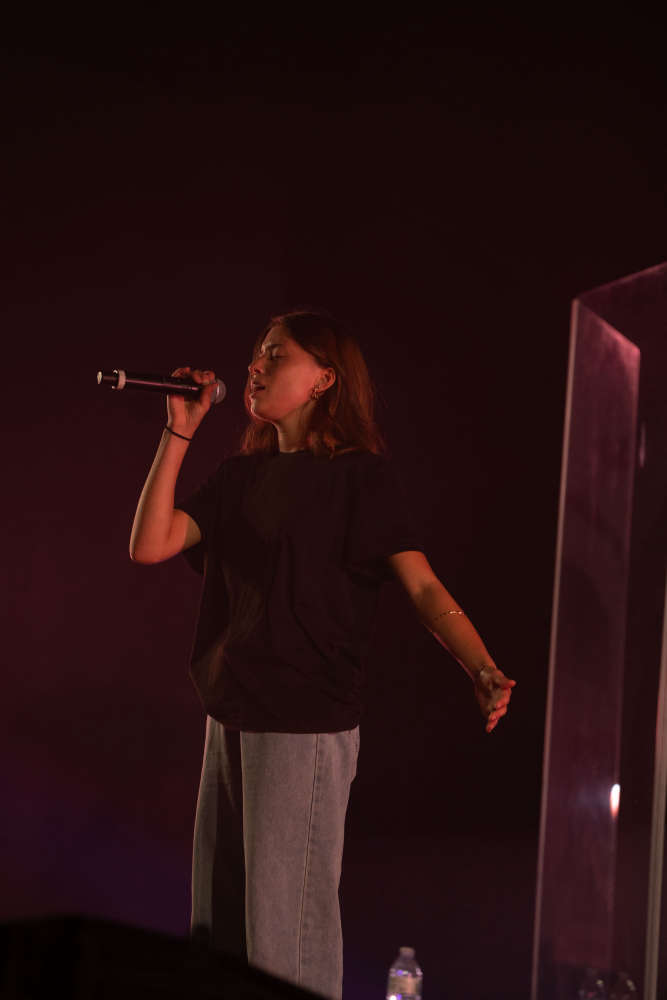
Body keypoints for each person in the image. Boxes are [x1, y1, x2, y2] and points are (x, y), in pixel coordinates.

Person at [129, 310, 515, 1000]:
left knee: (286, 943)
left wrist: (480, 666)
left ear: (324, 380)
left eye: (275, 355)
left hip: (301, 726)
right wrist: (179, 431)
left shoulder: (359, 478)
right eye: (256, 354)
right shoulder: (240, 477)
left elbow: (423, 585)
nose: (254, 367)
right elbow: (149, 543)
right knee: (219, 934)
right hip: (230, 718)